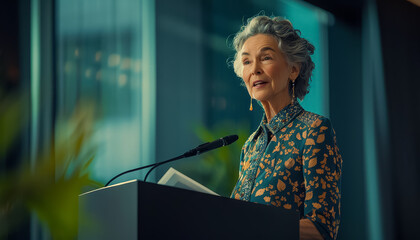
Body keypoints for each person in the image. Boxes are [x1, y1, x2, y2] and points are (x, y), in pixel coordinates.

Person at [230, 15, 342, 240]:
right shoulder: (249, 146)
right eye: (247, 61)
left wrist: (252, 226)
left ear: (293, 69)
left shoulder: (315, 130)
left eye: (266, 58)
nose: (255, 69)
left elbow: (322, 229)